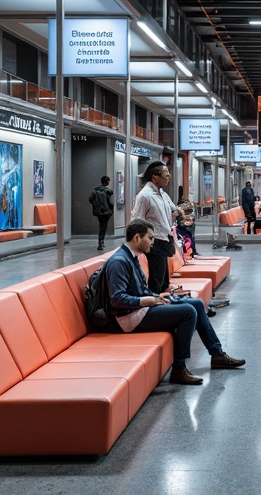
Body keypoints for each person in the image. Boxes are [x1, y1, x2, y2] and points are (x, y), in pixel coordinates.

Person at [105, 218, 245, 384]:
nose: (153, 242)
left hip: (141, 308)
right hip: (131, 318)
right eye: (150, 238)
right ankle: (179, 369)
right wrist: (149, 300)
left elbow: (137, 289)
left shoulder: (132, 257)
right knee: (187, 312)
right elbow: (117, 299)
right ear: (137, 238)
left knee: (197, 304)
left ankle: (217, 354)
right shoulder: (119, 262)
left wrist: (157, 297)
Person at [131, 160, 182, 293]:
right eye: (166, 174)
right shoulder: (144, 196)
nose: (169, 177)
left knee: (164, 280)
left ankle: (164, 305)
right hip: (154, 243)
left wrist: (177, 212)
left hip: (165, 239)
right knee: (156, 280)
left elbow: (172, 210)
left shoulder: (163, 194)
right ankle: (154, 307)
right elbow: (137, 220)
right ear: (155, 177)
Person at [90, 175, 114, 251]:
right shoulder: (108, 191)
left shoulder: (94, 190)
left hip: (98, 211)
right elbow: (111, 202)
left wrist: (96, 205)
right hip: (106, 211)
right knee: (104, 226)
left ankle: (101, 241)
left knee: (101, 225)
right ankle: (101, 241)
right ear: (107, 182)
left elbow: (90, 199)